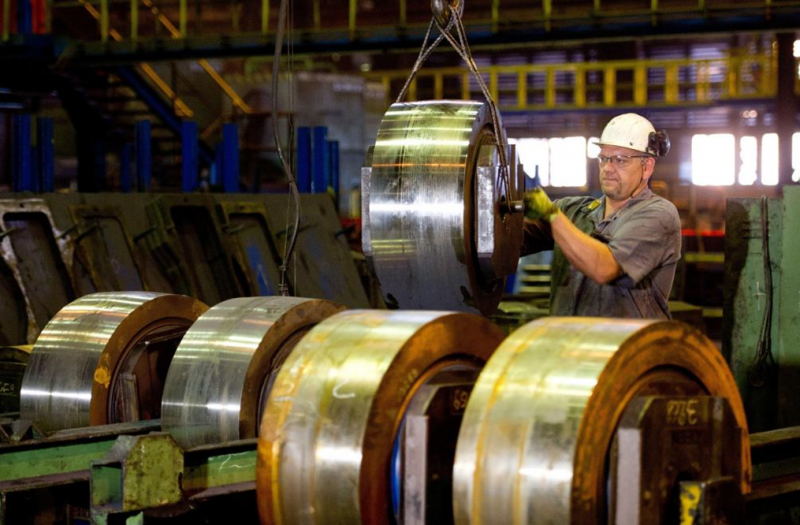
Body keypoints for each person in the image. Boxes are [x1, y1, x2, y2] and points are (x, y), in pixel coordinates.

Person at [521, 113, 680, 319]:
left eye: (620, 160)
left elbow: (604, 267)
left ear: (647, 166)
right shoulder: (573, 210)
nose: (607, 168)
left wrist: (552, 216)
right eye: (604, 158)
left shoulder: (659, 215)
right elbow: (505, 242)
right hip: (569, 345)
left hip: (628, 348)